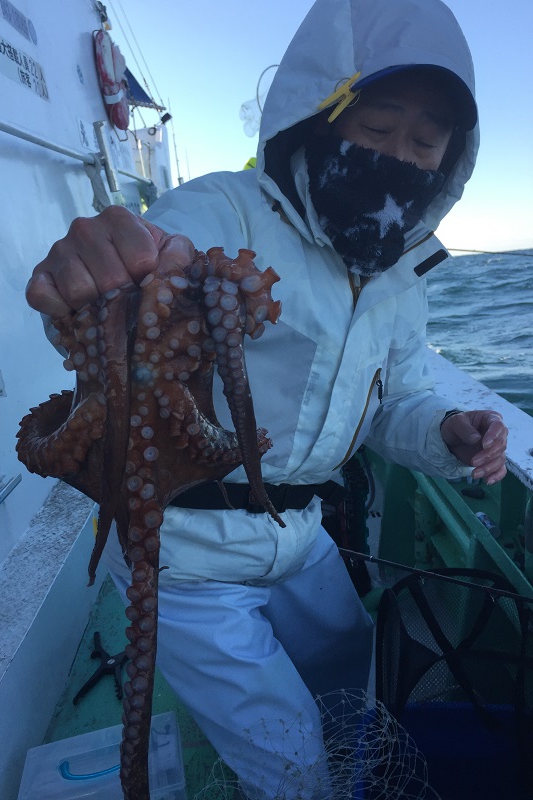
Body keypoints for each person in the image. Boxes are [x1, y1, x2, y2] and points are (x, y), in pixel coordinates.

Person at [27, 0, 508, 796]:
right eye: (377, 126)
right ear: (317, 116)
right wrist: (95, 270)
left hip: (302, 531)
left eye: (426, 143)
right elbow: (143, 276)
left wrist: (448, 430)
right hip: (182, 551)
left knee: (349, 682)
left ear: (449, 163)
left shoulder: (399, 276)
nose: (400, 156)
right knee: (295, 766)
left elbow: (399, 399)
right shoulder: (223, 211)